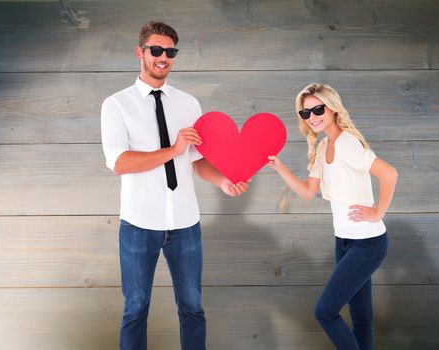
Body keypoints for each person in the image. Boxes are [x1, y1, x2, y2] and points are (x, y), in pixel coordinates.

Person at [101, 21, 250, 350]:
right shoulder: (116, 105)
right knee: (135, 310)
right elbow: (120, 162)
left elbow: (196, 161)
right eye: (156, 50)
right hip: (139, 225)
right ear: (140, 53)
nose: (163, 57)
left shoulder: (189, 104)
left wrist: (224, 181)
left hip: (186, 225)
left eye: (170, 52)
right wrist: (173, 150)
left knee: (193, 308)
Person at [268, 83, 398, 350]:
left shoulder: (347, 144)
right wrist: (279, 167)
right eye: (306, 113)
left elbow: (389, 174)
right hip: (344, 242)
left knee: (325, 312)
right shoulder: (323, 146)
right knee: (361, 317)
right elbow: (307, 192)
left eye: (318, 109)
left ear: (333, 108)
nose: (312, 116)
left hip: (368, 243)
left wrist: (378, 212)